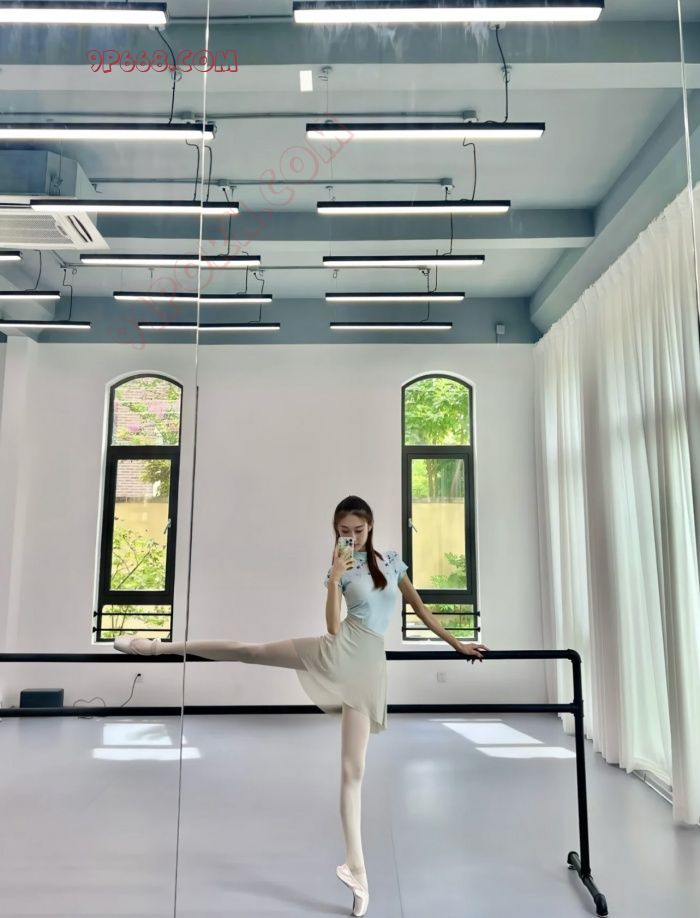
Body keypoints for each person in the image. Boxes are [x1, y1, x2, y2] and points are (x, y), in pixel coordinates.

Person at [114, 495, 489, 916]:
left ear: (370, 526)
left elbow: (419, 608)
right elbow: (331, 627)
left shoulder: (392, 563)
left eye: (358, 530)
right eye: (343, 532)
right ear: (336, 532)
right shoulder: (339, 569)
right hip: (337, 650)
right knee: (250, 651)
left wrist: (458, 644)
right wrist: (334, 579)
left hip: (368, 667)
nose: (351, 537)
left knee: (353, 771)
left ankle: (357, 871)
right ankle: (156, 647)